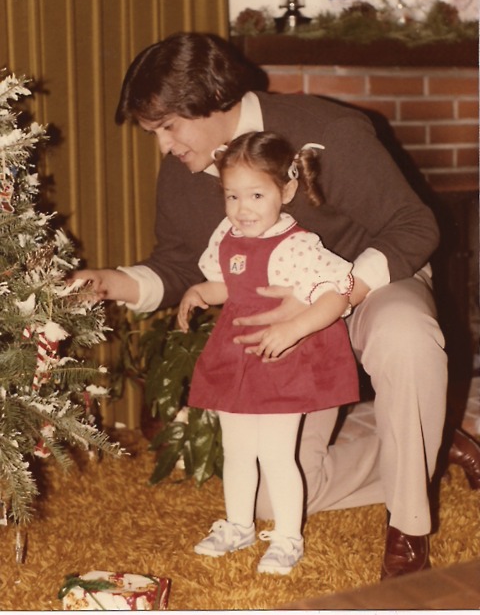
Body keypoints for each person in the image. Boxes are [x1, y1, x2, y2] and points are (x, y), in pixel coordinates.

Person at [75, 31, 480, 580]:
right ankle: (427, 439)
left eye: (168, 127)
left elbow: (414, 225)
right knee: (269, 499)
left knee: (406, 337)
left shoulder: (327, 131)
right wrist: (109, 283)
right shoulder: (183, 173)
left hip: (370, 287)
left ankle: (409, 522)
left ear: (211, 100)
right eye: (155, 132)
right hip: (284, 335)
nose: (164, 146)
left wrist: (330, 301)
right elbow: (181, 267)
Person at [176, 131, 359, 575]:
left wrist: (294, 328)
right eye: (232, 196)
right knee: (237, 448)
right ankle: (238, 525)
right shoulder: (227, 235)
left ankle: (288, 537)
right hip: (237, 354)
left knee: (277, 453)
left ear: (287, 191)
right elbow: (231, 286)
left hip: (283, 361)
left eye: (256, 195)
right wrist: (200, 292)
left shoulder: (298, 246)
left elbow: (337, 294)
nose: (243, 208)